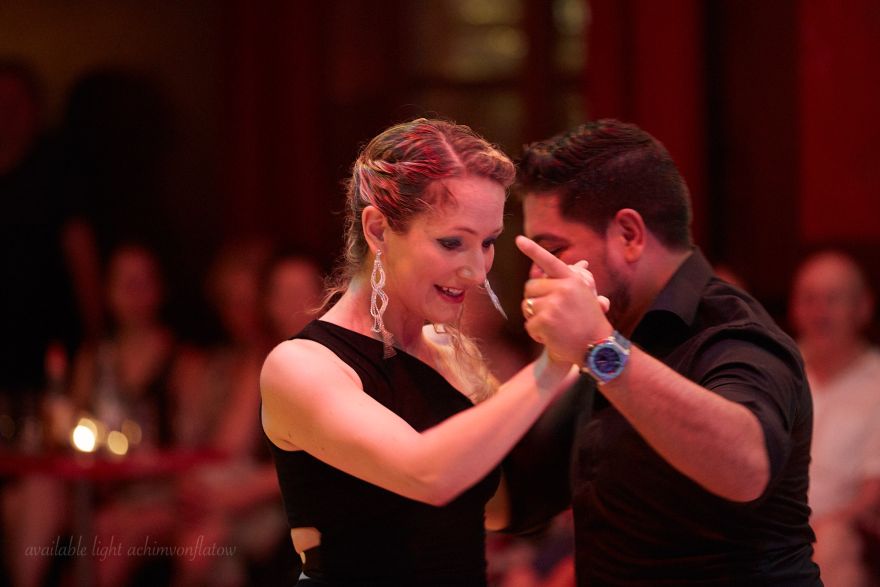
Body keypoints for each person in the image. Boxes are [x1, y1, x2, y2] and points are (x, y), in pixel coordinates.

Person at [260, 118, 586, 585]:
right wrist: (553, 365)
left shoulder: (448, 352)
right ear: (378, 230)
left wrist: (594, 354)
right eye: (452, 242)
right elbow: (427, 475)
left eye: (487, 243)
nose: (477, 272)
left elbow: (501, 504)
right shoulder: (301, 365)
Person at [502, 119, 821, 585]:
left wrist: (598, 348)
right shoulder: (611, 338)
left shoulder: (734, 333)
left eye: (554, 250)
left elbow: (747, 467)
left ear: (629, 235)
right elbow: (509, 501)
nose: (537, 276)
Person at [790, 250, 880, 587]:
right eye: (809, 299)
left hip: (836, 536)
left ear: (863, 307)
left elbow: (872, 497)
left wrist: (811, 532)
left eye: (832, 299)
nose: (819, 313)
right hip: (764, 528)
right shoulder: (774, 371)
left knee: (832, 543)